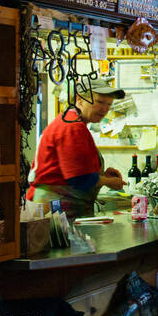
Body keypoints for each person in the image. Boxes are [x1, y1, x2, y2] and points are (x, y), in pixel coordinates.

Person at [26, 85, 128, 217]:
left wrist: (102, 176)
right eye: (100, 102)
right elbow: (79, 179)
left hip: (63, 206)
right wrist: (108, 182)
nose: (105, 109)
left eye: (109, 104)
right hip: (56, 210)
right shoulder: (72, 127)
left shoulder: (73, 121)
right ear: (79, 100)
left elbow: (75, 170)